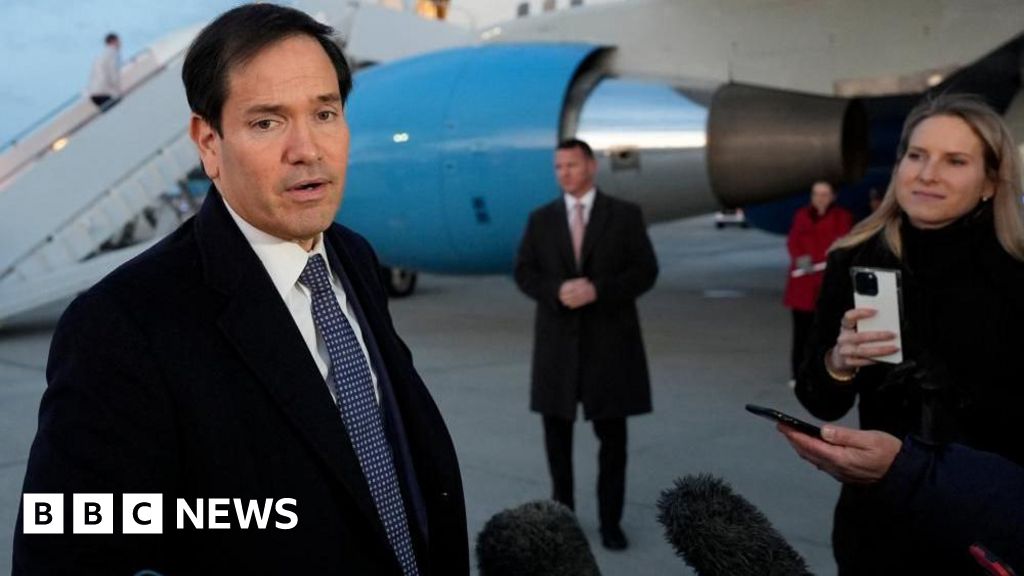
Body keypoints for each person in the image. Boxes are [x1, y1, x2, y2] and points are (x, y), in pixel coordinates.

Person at [14, 5, 467, 575]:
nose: (307, 149)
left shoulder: (353, 256)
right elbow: (65, 544)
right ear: (209, 142)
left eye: (325, 113)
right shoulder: (122, 325)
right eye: (267, 123)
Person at [794, 94, 1024, 575]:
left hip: (988, 530)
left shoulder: (1015, 272)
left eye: (955, 161)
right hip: (878, 528)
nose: (927, 174)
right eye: (916, 155)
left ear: (989, 182)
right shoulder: (854, 257)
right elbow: (820, 401)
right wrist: (838, 364)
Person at [514, 138, 658, 551]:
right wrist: (555, 290)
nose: (564, 173)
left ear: (591, 166)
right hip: (557, 349)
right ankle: (564, 518)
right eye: (558, 167)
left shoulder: (625, 216)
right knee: (557, 441)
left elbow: (645, 271)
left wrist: (598, 290)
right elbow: (524, 272)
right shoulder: (541, 219)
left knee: (613, 441)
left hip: (610, 349)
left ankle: (611, 522)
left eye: (572, 165)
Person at [778, 423, 1023, 573]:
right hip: (874, 522)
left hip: (977, 534)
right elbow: (822, 396)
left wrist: (909, 469)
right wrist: (835, 368)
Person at [782, 180, 852, 384]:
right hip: (802, 286)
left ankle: (824, 374)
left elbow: (842, 244)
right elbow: (793, 241)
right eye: (816, 194)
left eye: (824, 194)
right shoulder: (801, 215)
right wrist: (801, 258)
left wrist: (829, 261)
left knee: (827, 333)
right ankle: (798, 374)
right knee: (801, 333)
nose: (820, 198)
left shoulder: (842, 217)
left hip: (827, 284)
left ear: (832, 197)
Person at [87, 32, 121, 108]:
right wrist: (118, 90)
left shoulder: (101, 55)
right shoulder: (113, 53)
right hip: (104, 92)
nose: (120, 44)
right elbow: (113, 72)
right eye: (118, 41)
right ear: (113, 41)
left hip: (94, 93)